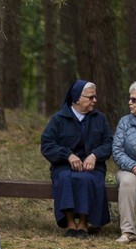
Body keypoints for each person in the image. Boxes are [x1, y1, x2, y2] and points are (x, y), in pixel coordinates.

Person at [40, 80, 112, 237]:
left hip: (93, 167)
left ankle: (84, 224)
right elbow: (47, 144)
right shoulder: (58, 119)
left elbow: (108, 143)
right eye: (90, 97)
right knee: (65, 178)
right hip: (64, 166)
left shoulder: (100, 119)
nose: (95, 100)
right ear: (77, 99)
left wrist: (94, 155)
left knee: (86, 179)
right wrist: (67, 155)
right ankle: (70, 223)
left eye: (95, 97)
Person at [111, 80, 136, 243]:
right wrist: (134, 166)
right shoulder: (125, 121)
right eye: (130, 98)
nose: (130, 102)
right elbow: (117, 150)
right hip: (129, 168)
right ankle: (128, 232)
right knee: (127, 183)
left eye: (134, 99)